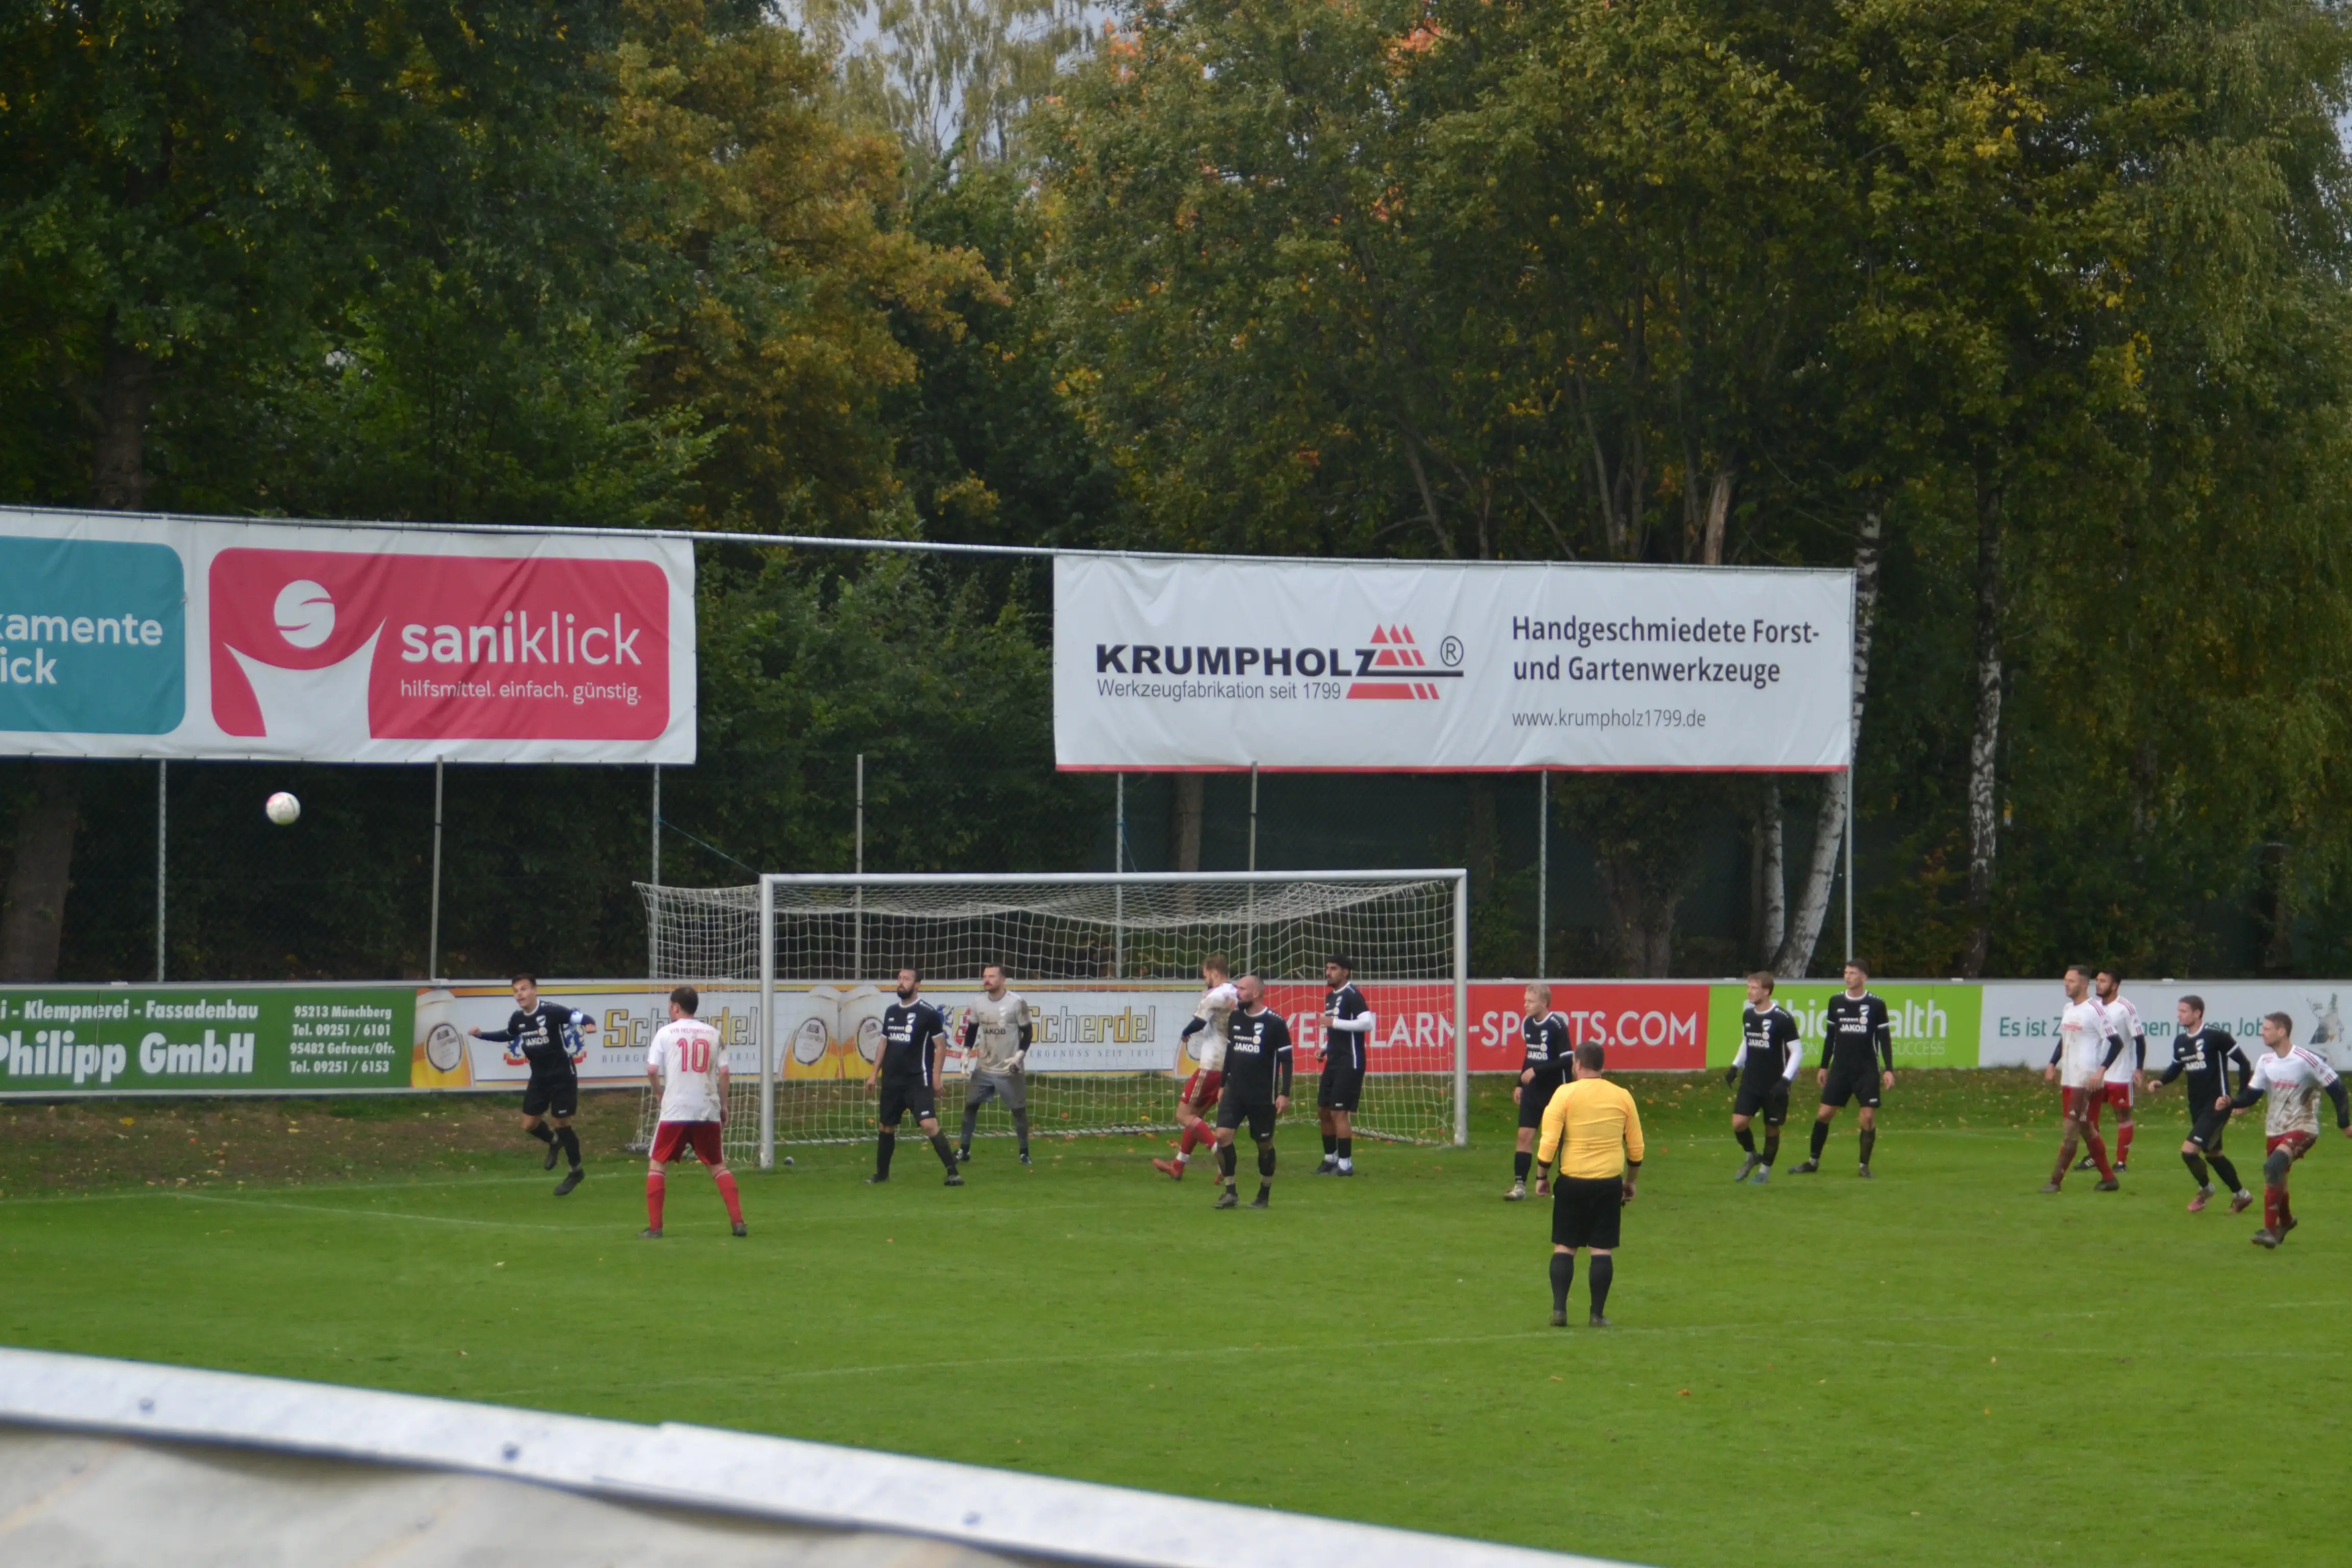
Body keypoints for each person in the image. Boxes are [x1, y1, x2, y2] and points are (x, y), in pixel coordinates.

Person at [2215, 1012, 2351, 1247]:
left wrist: (2344, 1123)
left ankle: (2269, 1231)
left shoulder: (2305, 1059)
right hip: (2275, 1129)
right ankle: (2286, 1220)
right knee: (2277, 1176)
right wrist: (2232, 1102)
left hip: (2303, 1127)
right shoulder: (2266, 1062)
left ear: (2282, 1031)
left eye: (2267, 1029)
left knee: (2273, 1166)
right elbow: (2252, 1094)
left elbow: (2337, 1087)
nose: (2262, 1033)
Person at [1534, 1042, 1643, 1328]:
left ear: (1578, 1065)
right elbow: (1636, 1147)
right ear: (1601, 1066)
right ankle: (1596, 1315)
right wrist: (1630, 1183)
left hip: (1572, 1181)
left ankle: (1560, 1310)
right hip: (1608, 1182)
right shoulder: (1622, 1096)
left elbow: (1549, 1140)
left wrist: (1542, 1176)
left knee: (1565, 1246)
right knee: (1601, 1249)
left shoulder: (1565, 1094)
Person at [468, 973, 596, 1196]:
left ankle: (576, 1170)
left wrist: (589, 1023)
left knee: (561, 1122)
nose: (520, 994)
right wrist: (481, 1035)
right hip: (539, 1078)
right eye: (516, 991)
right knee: (528, 1125)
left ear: (535, 990)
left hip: (562, 1076)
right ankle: (554, 1142)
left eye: (524, 989)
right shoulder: (518, 1018)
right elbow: (508, 1035)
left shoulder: (552, 1011)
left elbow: (581, 1017)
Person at [640, 986, 745, 1239]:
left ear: (676, 1007)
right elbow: (724, 1073)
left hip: (675, 1109)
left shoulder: (665, 1033)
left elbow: (653, 1069)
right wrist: (724, 1105)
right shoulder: (713, 1034)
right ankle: (738, 1222)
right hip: (706, 1108)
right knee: (718, 1166)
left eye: (670, 1006)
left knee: (658, 1165)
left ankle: (655, 1228)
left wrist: (657, 1093)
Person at [2147, 995, 2255, 1214]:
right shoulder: (2181, 1041)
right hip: (2196, 1105)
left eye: (2184, 1011)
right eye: (2178, 1011)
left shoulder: (2216, 1037)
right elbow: (2177, 1067)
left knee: (2189, 1151)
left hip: (2218, 1104)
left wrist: (2242, 1099)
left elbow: (2244, 1063)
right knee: (2214, 1155)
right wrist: (2162, 1081)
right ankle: (2241, 1195)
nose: (2179, 1015)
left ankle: (2206, 1189)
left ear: (2198, 1013)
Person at [1789, 961, 1893, 1178]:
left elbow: (1884, 1039)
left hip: (1866, 1070)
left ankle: (1864, 1166)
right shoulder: (1836, 1001)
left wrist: (1889, 1070)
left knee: (1867, 1119)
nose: (1848, 977)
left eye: (1853, 973)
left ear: (1864, 977)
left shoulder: (1876, 1005)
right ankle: (1812, 1161)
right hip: (1841, 1069)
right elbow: (1830, 1037)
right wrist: (1824, 1066)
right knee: (1824, 1114)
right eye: (1846, 972)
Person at [865, 968, 963, 1186]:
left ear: (917, 984)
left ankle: (953, 1172)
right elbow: (884, 1043)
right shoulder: (891, 1011)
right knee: (886, 1126)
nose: (901, 982)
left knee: (929, 1124)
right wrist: (874, 1074)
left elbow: (941, 1047)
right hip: (891, 1080)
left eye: (906, 979)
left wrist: (936, 1078)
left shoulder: (928, 1014)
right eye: (899, 978)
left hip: (917, 1080)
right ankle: (882, 1175)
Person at [1153, 955, 1237, 1183]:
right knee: (1195, 1118)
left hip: (1211, 1066)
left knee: (1183, 1115)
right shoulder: (1237, 993)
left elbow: (1199, 1022)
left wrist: (1185, 1032)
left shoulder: (1215, 995)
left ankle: (1218, 1151)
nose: (1205, 979)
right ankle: (1178, 1166)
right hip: (1228, 1066)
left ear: (1214, 972)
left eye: (1205, 974)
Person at [1212, 973, 1292, 1210]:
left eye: (1243, 989)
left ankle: (1264, 1193)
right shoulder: (1236, 1017)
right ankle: (1230, 1192)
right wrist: (1222, 1084)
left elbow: (1287, 1060)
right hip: (1235, 1091)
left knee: (1264, 1144)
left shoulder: (1275, 1023)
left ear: (1257, 993)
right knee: (1222, 1137)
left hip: (1262, 1095)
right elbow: (1231, 1052)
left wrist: (1284, 1093)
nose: (1238, 992)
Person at [2039, 965, 2120, 1193]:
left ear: (2084, 984)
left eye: (2071, 981)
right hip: (2070, 1078)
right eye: (2065, 980)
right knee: (2087, 1129)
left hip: (2086, 1081)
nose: (2066, 984)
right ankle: (2109, 1178)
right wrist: (2052, 1063)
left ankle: (2055, 1182)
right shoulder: (2068, 1008)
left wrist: (2101, 1071)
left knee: (2071, 1130)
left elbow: (2117, 1043)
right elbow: (2064, 1039)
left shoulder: (2096, 1010)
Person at [1726, 971, 1803, 1184]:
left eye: (1754, 988)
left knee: (1772, 1127)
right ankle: (1751, 1155)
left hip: (1775, 1084)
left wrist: (1786, 1080)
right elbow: (1746, 1041)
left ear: (1766, 991)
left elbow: (1797, 1051)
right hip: (1751, 1081)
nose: (1749, 992)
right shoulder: (1749, 1015)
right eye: (1748, 987)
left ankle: (1764, 1173)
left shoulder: (1783, 1018)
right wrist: (1735, 1066)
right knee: (1739, 1123)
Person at [957, 964, 1034, 1167]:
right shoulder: (978, 1003)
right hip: (984, 1066)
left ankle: (1024, 1152)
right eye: (984, 976)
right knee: (970, 1107)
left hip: (1009, 1068)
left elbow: (1028, 1032)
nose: (987, 980)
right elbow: (972, 1029)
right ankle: (964, 1150)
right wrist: (966, 1051)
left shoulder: (1016, 1003)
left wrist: (1020, 1055)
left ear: (1003, 980)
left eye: (991, 976)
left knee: (1018, 1111)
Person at [2076, 970, 2148, 1172]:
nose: (2098, 984)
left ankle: (2120, 1162)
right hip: (2095, 1072)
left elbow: (2139, 1039)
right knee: (2088, 1116)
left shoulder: (2126, 1008)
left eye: (2103, 981)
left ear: (2115, 985)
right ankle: (2094, 1156)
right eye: (2097, 980)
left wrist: (2139, 1069)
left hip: (2120, 1073)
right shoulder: (2093, 1007)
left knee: (2122, 1116)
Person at [1507, 984, 1572, 1201]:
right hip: (1533, 1090)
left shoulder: (1557, 1026)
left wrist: (1537, 1071)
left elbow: (1567, 1060)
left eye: (1531, 1001)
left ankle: (1563, 1184)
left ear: (1544, 1003)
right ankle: (1520, 1186)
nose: (1525, 1005)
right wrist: (1519, 1083)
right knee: (1524, 1134)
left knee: (1560, 1138)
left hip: (1555, 1090)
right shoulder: (1527, 1024)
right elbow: (1530, 1055)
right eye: (1525, 1000)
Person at [1315, 954, 1375, 1176]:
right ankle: (1330, 1159)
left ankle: (1346, 1164)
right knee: (1323, 1110)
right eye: (1327, 968)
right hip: (1334, 1060)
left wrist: (1335, 1022)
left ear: (1346, 972)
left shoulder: (1353, 995)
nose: (1328, 972)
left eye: (1334, 968)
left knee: (1339, 1112)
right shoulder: (1331, 997)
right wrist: (1324, 1047)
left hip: (1351, 1062)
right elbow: (1336, 1033)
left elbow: (1368, 1023)